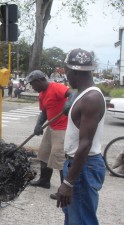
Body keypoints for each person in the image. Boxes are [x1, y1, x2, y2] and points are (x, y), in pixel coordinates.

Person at [56, 48, 106, 225]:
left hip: (84, 166)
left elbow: (85, 143)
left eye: (66, 71)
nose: (65, 76)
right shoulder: (83, 94)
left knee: (82, 221)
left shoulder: (91, 98)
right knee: (72, 217)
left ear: (74, 72)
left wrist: (68, 183)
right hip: (76, 163)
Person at [27, 70, 75, 200]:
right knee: (44, 153)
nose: (32, 87)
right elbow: (44, 111)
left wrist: (69, 103)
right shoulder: (42, 94)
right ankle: (44, 181)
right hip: (51, 126)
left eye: (33, 84)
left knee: (59, 158)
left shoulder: (56, 87)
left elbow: (72, 94)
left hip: (62, 128)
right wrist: (38, 124)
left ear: (40, 81)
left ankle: (63, 190)